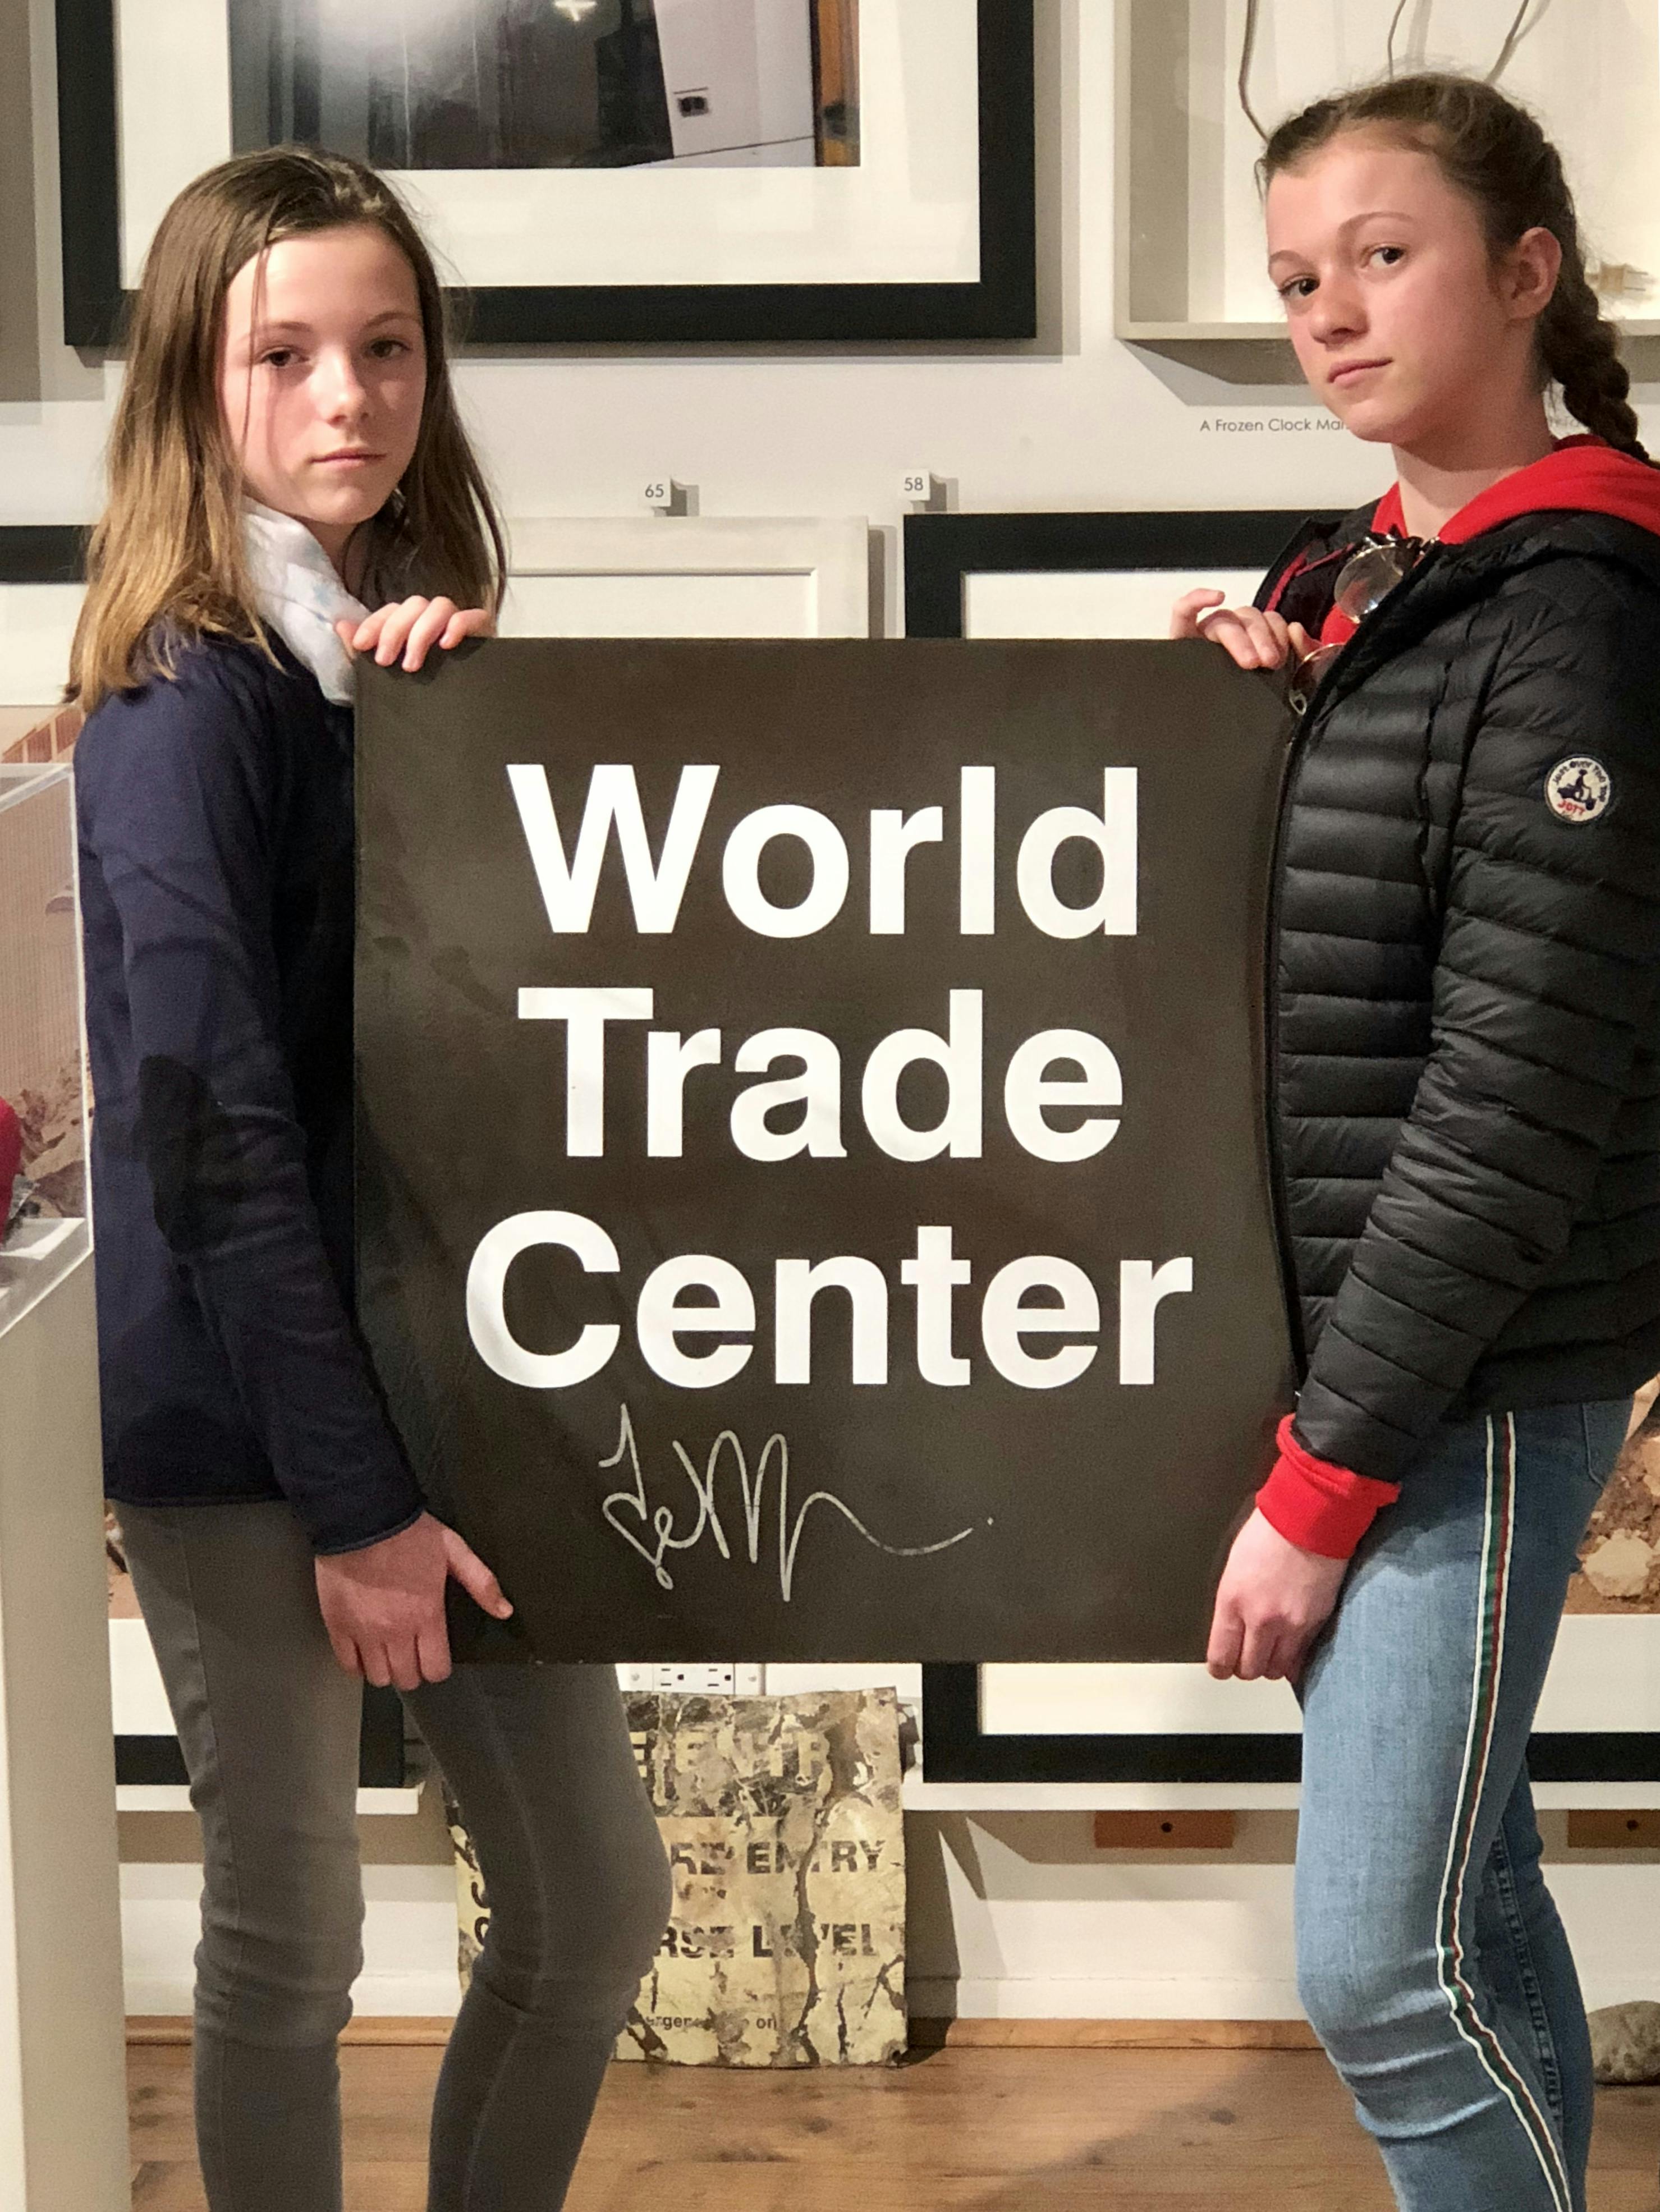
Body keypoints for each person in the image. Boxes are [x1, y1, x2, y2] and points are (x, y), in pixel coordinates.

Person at [72, 147, 670, 2212]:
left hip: (459, 1368)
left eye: (389, 349)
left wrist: (456, 738)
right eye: (288, 354)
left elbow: (485, 1027)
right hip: (259, 1417)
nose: (350, 398)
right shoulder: (183, 694)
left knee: (594, 1901)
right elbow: (211, 1120)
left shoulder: (361, 669)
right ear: (190, 381)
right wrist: (355, 1502)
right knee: (291, 1935)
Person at [1172, 72, 1660, 2212]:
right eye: (1296, 281)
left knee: (1378, 1969)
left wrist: (1321, 1479)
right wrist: (1224, 706)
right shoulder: (1382, 576)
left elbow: (1513, 1093)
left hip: (1462, 1373)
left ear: (1528, 271)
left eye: (1385, 256)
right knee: (1470, 1905)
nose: (1333, 316)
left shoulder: (1577, 611)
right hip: (1392, 1345)